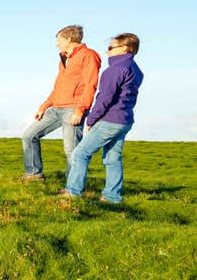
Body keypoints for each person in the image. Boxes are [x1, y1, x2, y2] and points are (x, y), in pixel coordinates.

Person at [63, 33, 143, 203]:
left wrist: (91, 120)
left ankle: (72, 192)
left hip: (110, 119)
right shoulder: (135, 69)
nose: (107, 51)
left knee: (80, 154)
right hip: (125, 120)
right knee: (112, 158)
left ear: (125, 49)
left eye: (110, 47)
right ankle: (112, 196)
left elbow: (105, 98)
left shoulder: (115, 70)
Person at [22, 25, 101, 180]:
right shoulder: (64, 58)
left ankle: (72, 187)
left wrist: (80, 109)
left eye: (59, 40)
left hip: (73, 108)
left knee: (71, 150)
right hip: (56, 108)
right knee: (29, 136)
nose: (57, 44)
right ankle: (33, 174)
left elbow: (91, 84)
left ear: (69, 39)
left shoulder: (89, 55)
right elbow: (58, 87)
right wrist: (44, 106)